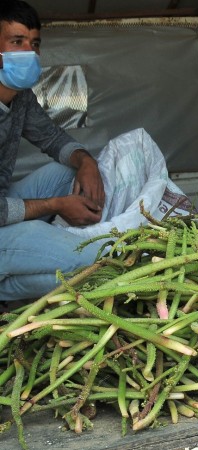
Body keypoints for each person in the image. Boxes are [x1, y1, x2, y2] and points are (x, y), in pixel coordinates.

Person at [0, 0, 106, 301]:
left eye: (34, 44)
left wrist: (86, 161)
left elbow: (51, 137)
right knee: (91, 263)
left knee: (64, 172)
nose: (29, 53)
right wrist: (56, 205)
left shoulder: (19, 97)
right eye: (16, 41)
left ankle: (38, 253)